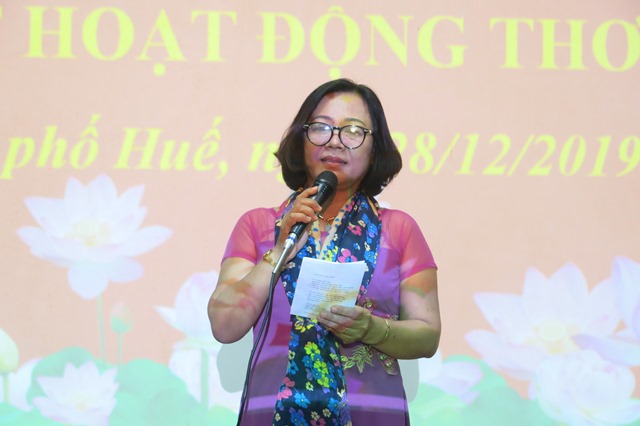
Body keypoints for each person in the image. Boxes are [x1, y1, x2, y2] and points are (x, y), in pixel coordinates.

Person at [208, 78, 441, 425]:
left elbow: (427, 335)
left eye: (354, 131)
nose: (335, 140)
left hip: (372, 415)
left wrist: (372, 329)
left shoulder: (400, 229)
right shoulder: (258, 225)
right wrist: (278, 251)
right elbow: (224, 325)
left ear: (375, 148)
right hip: (273, 414)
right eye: (321, 128)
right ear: (301, 141)